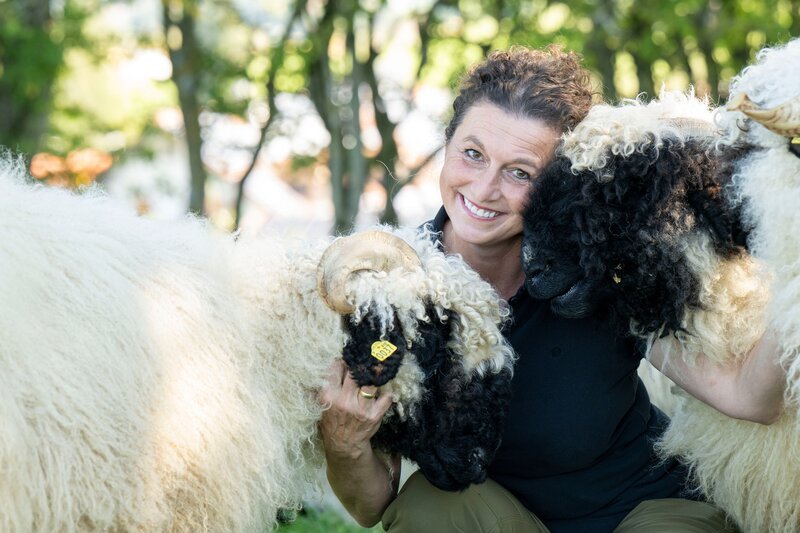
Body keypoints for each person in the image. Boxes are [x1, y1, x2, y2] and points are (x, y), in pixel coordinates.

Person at [317, 45, 785, 532]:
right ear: (448, 144)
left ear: (555, 183)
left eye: (520, 172)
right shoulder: (394, 293)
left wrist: (793, 281)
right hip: (505, 519)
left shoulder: (603, 263)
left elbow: (748, 398)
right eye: (472, 154)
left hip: (644, 509)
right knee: (428, 506)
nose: (483, 188)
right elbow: (373, 507)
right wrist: (345, 442)